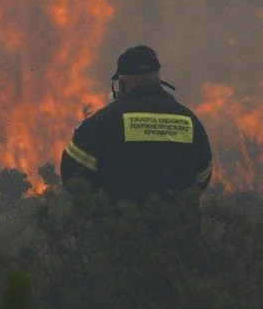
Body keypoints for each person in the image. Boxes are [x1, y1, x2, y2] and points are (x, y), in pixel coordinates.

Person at [60, 45, 213, 202]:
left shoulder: (103, 122)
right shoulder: (189, 120)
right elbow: (203, 175)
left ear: (123, 83)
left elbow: (73, 173)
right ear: (158, 80)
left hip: (120, 223)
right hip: (178, 223)